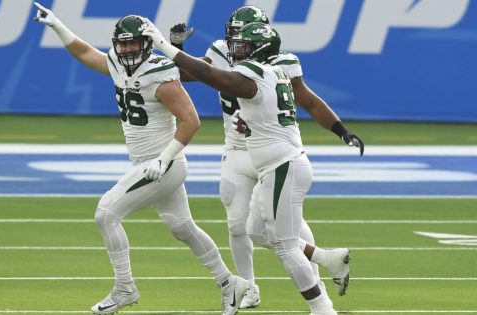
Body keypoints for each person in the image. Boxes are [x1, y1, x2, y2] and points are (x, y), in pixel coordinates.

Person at [33, 3, 249, 315]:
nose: (129, 49)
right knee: (182, 228)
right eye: (124, 44)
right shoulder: (118, 64)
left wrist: (163, 159)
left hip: (163, 163)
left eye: (135, 43)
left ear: (148, 44)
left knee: (105, 214)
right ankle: (230, 283)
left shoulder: (160, 74)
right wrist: (56, 25)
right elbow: (83, 52)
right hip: (147, 163)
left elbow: (192, 121)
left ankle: (125, 288)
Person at [143, 18, 364, 315]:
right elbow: (205, 72)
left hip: (282, 165)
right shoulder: (271, 71)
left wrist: (162, 44)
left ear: (261, 50)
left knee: (285, 244)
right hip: (273, 163)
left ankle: (322, 308)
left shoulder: (255, 75)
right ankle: (327, 258)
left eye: (245, 46)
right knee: (254, 231)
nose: (236, 49)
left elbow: (208, 74)